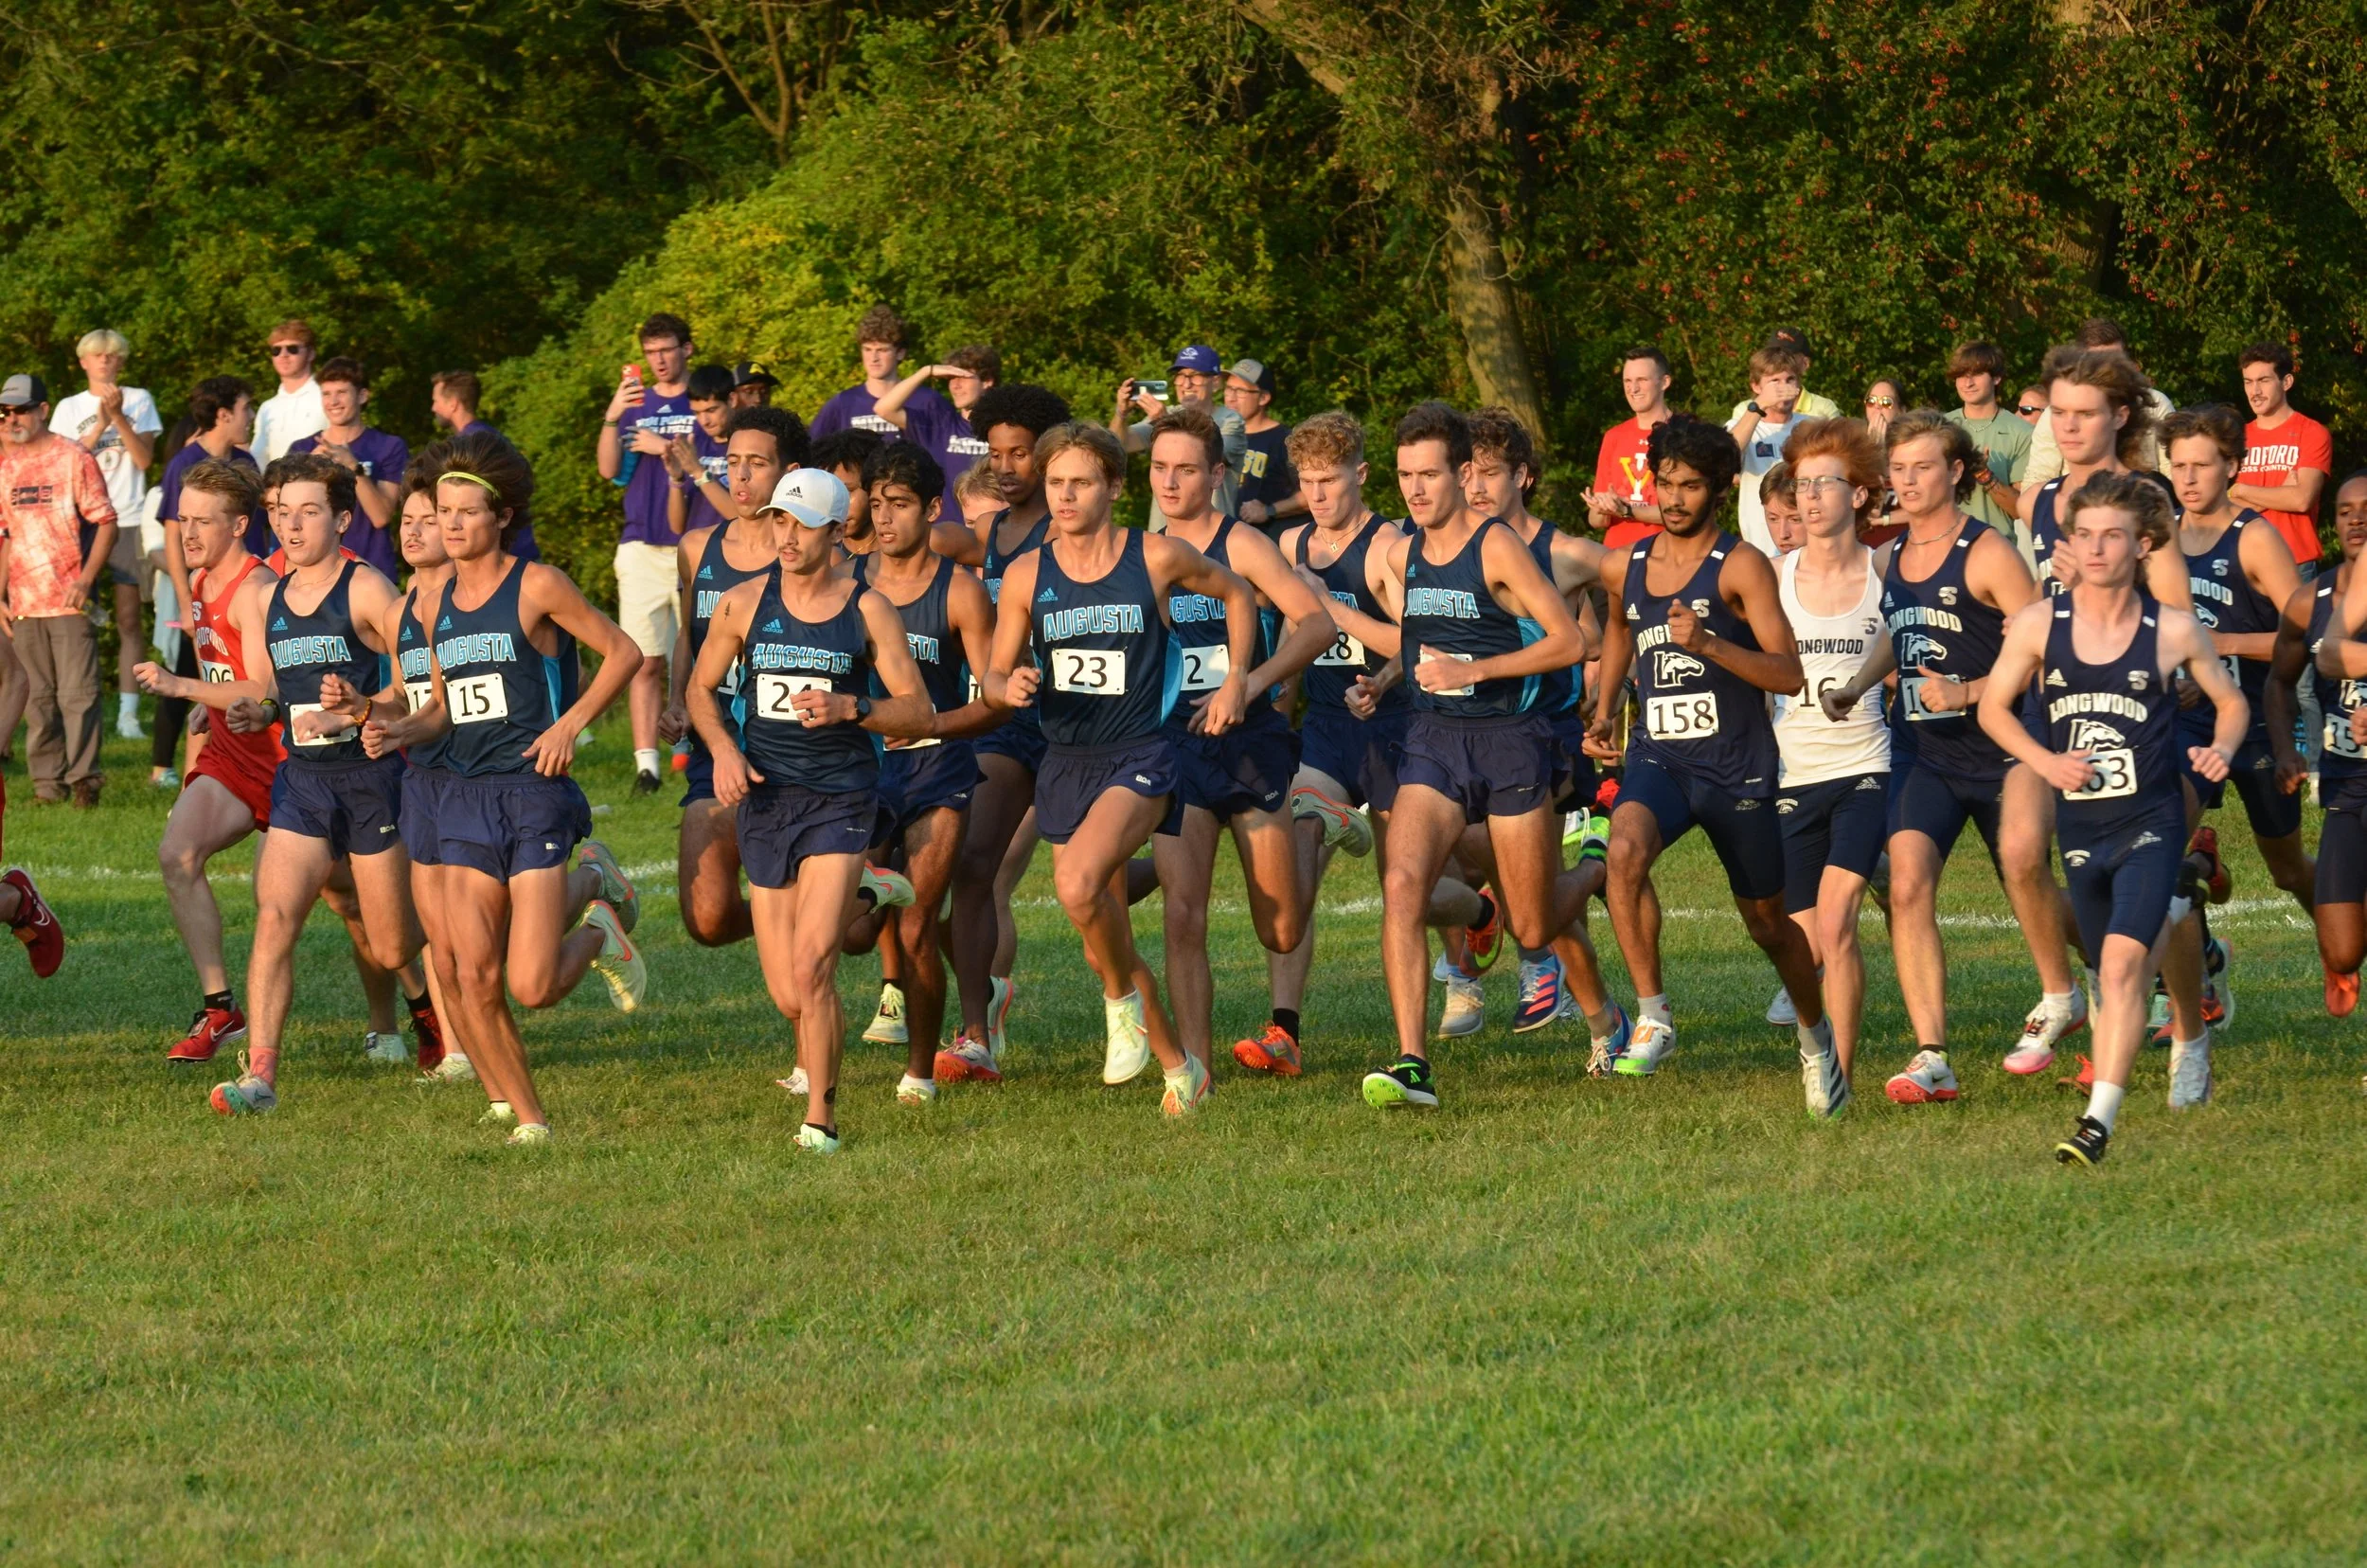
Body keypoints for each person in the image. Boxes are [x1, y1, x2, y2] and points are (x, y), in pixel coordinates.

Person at [367, 433, 648, 1145]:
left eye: (467, 512)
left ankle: (595, 900)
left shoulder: (537, 584)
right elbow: (440, 706)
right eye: (445, 511)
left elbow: (625, 652)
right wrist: (396, 730)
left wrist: (572, 726)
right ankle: (529, 1121)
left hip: (531, 790)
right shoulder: (432, 608)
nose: (452, 524)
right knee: (469, 970)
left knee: (534, 986)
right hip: (461, 793)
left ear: (501, 520)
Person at [982, 421, 1256, 1114]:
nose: (1065, 496)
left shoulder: (1158, 556)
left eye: (1080, 482)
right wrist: (1006, 686)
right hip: (1067, 759)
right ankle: (1179, 1067)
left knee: (1076, 885)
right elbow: (991, 673)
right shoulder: (1025, 574)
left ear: (1113, 487)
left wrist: (1235, 682)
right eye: (1055, 483)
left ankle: (1121, 1003)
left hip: (1142, 754)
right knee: (1099, 930)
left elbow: (1240, 596)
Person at [1977, 472, 2246, 1165]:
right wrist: (2045, 761)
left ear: (2143, 545)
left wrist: (2220, 748)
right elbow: (1992, 709)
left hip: (2152, 817)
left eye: (2113, 537)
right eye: (2084, 536)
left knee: (2125, 970)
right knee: (2109, 961)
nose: (2096, 550)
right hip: (2083, 829)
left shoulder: (2173, 630)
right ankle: (2183, 940)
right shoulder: (2041, 624)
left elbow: (2230, 701)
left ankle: (2098, 1123)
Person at [688, 467, 935, 1150]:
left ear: (833, 531)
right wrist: (724, 754)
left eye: (800, 523)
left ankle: (821, 1120)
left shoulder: (868, 608)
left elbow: (918, 710)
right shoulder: (741, 603)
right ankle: (866, 888)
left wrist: (852, 706)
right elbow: (700, 689)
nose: (786, 535)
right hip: (766, 798)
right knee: (788, 996)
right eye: (778, 520)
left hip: (840, 798)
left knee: (813, 969)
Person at [1820, 413, 2057, 1099]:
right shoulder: (1889, 557)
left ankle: (2101, 972)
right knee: (1907, 883)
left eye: (1924, 467)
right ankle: (1932, 1055)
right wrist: (1857, 686)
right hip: (1927, 755)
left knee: (2029, 880)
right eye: (1899, 468)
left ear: (1955, 473)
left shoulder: (1988, 554)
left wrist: (1973, 691)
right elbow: (1901, 633)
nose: (1909, 480)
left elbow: (2045, 652)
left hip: (2006, 751)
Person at [1587, 412, 1828, 1079]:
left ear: (1719, 489)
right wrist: (1605, 708)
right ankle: (1654, 1015)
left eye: (1689, 487)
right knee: (1623, 853)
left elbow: (1789, 673)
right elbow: (1618, 627)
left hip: (1737, 769)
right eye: (1664, 483)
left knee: (1768, 925)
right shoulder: (1625, 564)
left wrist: (1711, 644)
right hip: (1660, 756)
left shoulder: (1742, 567)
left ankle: (1817, 1037)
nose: (1671, 499)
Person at [1365, 401, 1585, 1109]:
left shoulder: (1496, 548)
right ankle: (1411, 1064)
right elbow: (1419, 635)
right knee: (1402, 885)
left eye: (1429, 474)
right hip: (1434, 740)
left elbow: (1567, 641)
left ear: (1463, 474)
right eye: (1405, 475)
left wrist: (1477, 673)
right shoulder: (1401, 551)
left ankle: (1602, 870)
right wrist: (1385, 680)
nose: (1416, 490)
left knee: (1532, 923)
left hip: (1511, 742)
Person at [203, 454, 429, 1115]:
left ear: (342, 518)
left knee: (391, 944)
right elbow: (273, 691)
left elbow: (421, 681)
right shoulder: (264, 596)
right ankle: (261, 1078)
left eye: (307, 511)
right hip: (302, 781)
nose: (290, 525)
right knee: (275, 919)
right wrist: (258, 710)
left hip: (372, 780)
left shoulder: (368, 590)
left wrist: (363, 703)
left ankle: (447, 1006)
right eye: (280, 511)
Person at [1139, 406, 1335, 1081]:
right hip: (1177, 748)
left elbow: (1317, 627)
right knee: (1182, 912)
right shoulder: (1145, 550)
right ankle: (1192, 1068)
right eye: (1160, 467)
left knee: (1278, 930)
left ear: (1215, 474)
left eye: (1186, 469)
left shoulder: (1242, 545)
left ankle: (1314, 832)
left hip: (1252, 742)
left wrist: (1247, 684)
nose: (1170, 481)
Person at [1458, 407, 1622, 1050]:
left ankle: (1602, 1021)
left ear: (1522, 477)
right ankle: (1597, 1013)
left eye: (1491, 473)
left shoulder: (1566, 553)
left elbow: (1633, 600)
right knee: (1449, 866)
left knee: (1540, 914)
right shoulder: (1450, 548)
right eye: (1466, 471)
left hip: (1542, 739)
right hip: (1465, 734)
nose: (1475, 487)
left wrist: (1604, 687)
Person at [845, 441, 1003, 1100]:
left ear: (933, 509)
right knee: (850, 935)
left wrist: (933, 724)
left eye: (901, 505)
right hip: (859, 776)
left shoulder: (960, 591)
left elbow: (995, 701)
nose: (885, 518)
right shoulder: (847, 585)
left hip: (938, 773)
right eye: (877, 504)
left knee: (916, 927)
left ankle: (918, 1072)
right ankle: (880, 889)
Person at [934, 383, 1072, 1082]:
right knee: (972, 866)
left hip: (1085, 727)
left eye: (1020, 451)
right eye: (997, 453)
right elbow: (936, 539)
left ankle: (1127, 996)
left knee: (1096, 881)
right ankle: (974, 1033)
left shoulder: (1078, 526)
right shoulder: (991, 535)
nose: (1006, 465)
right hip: (1009, 728)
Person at [1257, 413, 1402, 1073]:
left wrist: (1378, 676)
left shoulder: (1387, 545)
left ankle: (1482, 912)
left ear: (1361, 476)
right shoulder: (1286, 547)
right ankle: (1284, 1030)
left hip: (1396, 731)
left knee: (1411, 890)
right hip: (1323, 732)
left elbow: (1413, 642)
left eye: (1330, 480)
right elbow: (1288, 636)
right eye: (1308, 482)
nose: (1318, 495)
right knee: (1296, 861)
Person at [133, 460, 288, 1062]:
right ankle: (221, 1009)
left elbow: (260, 690)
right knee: (177, 854)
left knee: (354, 908)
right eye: (184, 520)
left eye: (204, 522)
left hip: (287, 768)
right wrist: (208, 705)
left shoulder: (254, 590)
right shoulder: (199, 582)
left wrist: (185, 691)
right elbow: (224, 676)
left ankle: (420, 1008)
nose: (189, 534)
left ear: (241, 525)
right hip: (232, 758)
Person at [1766, 419, 1892, 1112]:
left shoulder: (1886, 570)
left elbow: (1913, 635)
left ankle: (1838, 1073)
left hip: (1868, 766)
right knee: (1800, 941)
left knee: (1839, 922)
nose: (1810, 498)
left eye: (1825, 483)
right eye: (1802, 484)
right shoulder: (1773, 576)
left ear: (1861, 493)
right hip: (1794, 775)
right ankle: (1819, 1045)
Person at [662, 404, 809, 949]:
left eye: (757, 464)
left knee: (860, 931)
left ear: (789, 474)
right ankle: (802, 918)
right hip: (717, 750)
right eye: (732, 462)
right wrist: (677, 700)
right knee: (709, 923)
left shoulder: (818, 556)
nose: (740, 476)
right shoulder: (696, 548)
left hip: (800, 756)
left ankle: (846, 904)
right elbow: (687, 635)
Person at [2167, 405, 2308, 957]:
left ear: (2231, 467)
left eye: (2201, 465)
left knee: (2288, 871)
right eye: (2178, 466)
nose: (2188, 478)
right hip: (2187, 721)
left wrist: (2221, 646)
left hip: (2252, 722)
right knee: (2157, 843)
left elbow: (2301, 635)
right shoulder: (2161, 537)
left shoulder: (2254, 538)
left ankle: (2346, 934)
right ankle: (2197, 970)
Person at [0, 373, 116, 808]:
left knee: (78, 695)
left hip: (70, 597)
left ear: (43, 410)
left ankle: (86, 780)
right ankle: (47, 787)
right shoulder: (6, 468)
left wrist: (85, 579)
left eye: (21, 409)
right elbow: (7, 534)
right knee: (37, 699)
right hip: (26, 601)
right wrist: (1, 596)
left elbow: (107, 522)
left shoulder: (73, 457)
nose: (13, 418)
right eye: (5, 412)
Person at [596, 312, 700, 793]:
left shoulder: (705, 402)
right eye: (651, 352)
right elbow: (606, 469)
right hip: (640, 543)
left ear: (687, 350)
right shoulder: (635, 403)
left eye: (667, 349)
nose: (659, 360)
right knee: (643, 659)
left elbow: (710, 464)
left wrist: (665, 447)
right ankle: (647, 767)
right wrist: (613, 414)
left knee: (698, 651)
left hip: (694, 542)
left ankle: (692, 747)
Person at [2280, 472, 2367, 1015]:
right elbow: (2325, 656)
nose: (2357, 518)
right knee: (2343, 947)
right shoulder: (2320, 595)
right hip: (2345, 782)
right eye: (2345, 510)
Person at [49, 330, 162, 741]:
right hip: (81, 522)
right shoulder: (68, 407)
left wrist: (117, 418)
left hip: (128, 518)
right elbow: (65, 463)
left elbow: (145, 458)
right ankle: (78, 704)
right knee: (77, 621)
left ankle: (129, 713)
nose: (104, 362)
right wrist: (99, 422)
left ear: (121, 361)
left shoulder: (140, 399)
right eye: (96, 356)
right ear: (83, 362)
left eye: (112, 356)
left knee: (130, 619)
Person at [289, 357, 409, 579]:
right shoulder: (302, 449)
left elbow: (381, 516)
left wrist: (352, 466)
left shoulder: (389, 446)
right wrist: (311, 471)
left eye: (341, 392)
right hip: (315, 572)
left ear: (362, 396)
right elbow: (287, 516)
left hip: (372, 569)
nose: (333, 401)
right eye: (326, 394)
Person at [2020, 317, 2174, 485]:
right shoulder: (2054, 414)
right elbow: (2036, 480)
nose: (2108, 370)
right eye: (2097, 362)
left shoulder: (2156, 404)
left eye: (2115, 361)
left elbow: (2174, 474)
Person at [2230, 342, 2333, 576]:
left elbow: (2301, 499)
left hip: (2295, 564)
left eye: (2263, 381)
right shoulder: (2236, 438)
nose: (2254, 391)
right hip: (2244, 564)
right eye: (2248, 382)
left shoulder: (2312, 433)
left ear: (2286, 382)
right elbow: (2222, 508)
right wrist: (2278, 494)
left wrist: (2241, 490)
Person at [1112, 346, 1249, 518]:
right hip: (1165, 535)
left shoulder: (1231, 420)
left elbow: (1206, 455)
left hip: (1212, 537)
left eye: (1195, 376)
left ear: (1215, 383)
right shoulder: (1167, 413)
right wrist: (1121, 413)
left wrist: (1163, 422)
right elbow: (1118, 445)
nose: (1186, 384)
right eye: (1181, 376)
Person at [810, 306, 953, 444]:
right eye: (867, 349)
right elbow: (810, 451)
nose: (874, 358)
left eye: (882, 350)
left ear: (900, 353)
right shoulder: (843, 403)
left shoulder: (928, 402)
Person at [159, 377, 266, 561]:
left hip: (257, 578)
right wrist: (185, 591)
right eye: (246, 408)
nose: (252, 415)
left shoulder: (246, 460)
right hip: (212, 584)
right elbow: (174, 536)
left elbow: (260, 524)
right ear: (224, 415)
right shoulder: (183, 464)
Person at [1944, 341, 2032, 554]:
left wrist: (1984, 475)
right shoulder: (1940, 427)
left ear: (1996, 377)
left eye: (1977, 373)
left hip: (1997, 551)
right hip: (1944, 550)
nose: (1968, 382)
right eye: (1961, 374)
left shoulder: (2021, 432)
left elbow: (2019, 510)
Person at [868, 344, 998, 485]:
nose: (955, 385)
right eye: (951, 379)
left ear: (987, 381)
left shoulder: (1003, 430)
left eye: (963, 377)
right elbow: (883, 409)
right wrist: (925, 372)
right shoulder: (941, 425)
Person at [1584, 346, 1675, 548]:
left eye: (1642, 380)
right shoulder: (1613, 436)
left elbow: (1687, 511)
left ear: (1664, 382)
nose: (1633, 389)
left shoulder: (1685, 433)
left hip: (1668, 556)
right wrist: (1602, 507)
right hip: (1618, 559)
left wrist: (1627, 509)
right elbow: (1596, 522)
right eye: (1627, 381)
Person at [1728, 342, 1808, 557]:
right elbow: (1726, 458)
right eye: (1775, 381)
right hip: (1759, 551)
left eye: (1790, 379)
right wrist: (1760, 405)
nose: (1783, 387)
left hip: (1807, 549)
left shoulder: (1812, 426)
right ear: (1756, 386)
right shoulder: (1743, 425)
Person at [1223, 359, 1304, 536]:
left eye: (1240, 391)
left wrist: (1269, 510)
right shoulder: (1220, 436)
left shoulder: (1286, 441)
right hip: (1225, 547)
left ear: (1263, 398)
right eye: (1229, 388)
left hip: (1270, 546)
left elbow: (1312, 495)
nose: (1230, 397)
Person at [663, 365, 740, 538]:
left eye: (711, 410)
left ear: (732, 400)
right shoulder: (694, 443)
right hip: (697, 556)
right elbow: (676, 527)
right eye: (697, 413)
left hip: (734, 555)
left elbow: (740, 520)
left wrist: (698, 472)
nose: (704, 421)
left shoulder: (749, 446)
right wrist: (676, 479)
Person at [1725, 328, 1842, 423]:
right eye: (1773, 355)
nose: (1779, 360)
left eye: (1788, 356)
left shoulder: (1823, 409)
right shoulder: (1744, 409)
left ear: (1805, 364)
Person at [252, 319, 326, 463]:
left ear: (311, 354)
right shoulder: (267, 408)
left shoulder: (327, 397)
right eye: (276, 350)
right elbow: (258, 459)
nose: (283, 355)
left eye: (293, 349)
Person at [430, 371, 491, 437]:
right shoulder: (487, 435)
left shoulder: (474, 441)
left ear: (453, 404)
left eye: (436, 401)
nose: (433, 408)